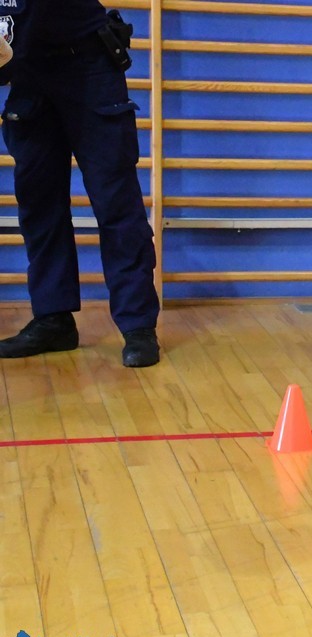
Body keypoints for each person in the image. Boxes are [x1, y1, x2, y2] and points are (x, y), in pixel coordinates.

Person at [0, 0, 160, 367]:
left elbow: (25, 20)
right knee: (38, 202)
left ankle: (138, 325)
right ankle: (53, 318)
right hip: (30, 72)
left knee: (115, 201)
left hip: (88, 66)